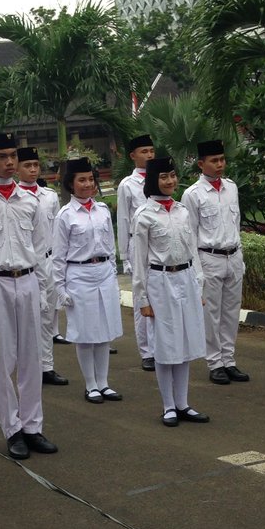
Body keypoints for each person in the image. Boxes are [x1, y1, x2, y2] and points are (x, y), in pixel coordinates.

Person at [0, 131, 57, 460]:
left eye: (12, 156)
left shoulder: (31, 201)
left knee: (32, 357)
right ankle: (13, 429)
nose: (8, 162)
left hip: (28, 280)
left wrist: (45, 295)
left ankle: (33, 426)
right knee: (3, 362)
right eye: (1, 156)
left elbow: (42, 252)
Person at [132, 157, 209, 426]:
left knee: (185, 343)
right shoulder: (144, 215)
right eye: (164, 177)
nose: (170, 181)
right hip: (160, 282)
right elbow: (139, 261)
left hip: (185, 278)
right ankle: (168, 406)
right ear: (154, 180)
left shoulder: (182, 211)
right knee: (165, 346)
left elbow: (192, 249)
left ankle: (184, 403)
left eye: (173, 175)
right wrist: (142, 299)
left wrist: (198, 284)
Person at [51, 158, 123, 403]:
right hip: (79, 276)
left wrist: (112, 275)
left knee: (103, 332)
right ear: (71, 184)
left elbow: (111, 249)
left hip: (103, 272)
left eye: (90, 179)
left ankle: (104, 383)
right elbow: (58, 256)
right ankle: (90, 384)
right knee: (85, 333)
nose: (87, 184)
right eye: (81, 180)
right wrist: (60, 289)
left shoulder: (102, 210)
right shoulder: (65, 215)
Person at [182, 139, 249, 385]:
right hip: (209, 257)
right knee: (211, 315)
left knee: (232, 312)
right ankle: (215, 362)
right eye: (214, 160)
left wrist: (240, 257)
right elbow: (190, 235)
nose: (220, 164)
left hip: (233, 255)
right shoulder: (193, 194)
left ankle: (229, 360)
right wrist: (197, 271)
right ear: (201, 164)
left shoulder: (231, 187)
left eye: (222, 159)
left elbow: (237, 223)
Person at [16, 146, 68, 384]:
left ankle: (47, 366)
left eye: (36, 165)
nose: (33, 169)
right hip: (25, 264)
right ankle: (28, 366)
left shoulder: (50, 196)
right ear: (17, 168)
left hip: (48, 260)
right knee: (26, 319)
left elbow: (57, 231)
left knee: (48, 316)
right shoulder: (14, 197)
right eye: (27, 165)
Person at [117, 134, 157, 370]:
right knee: (141, 297)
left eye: (151, 151)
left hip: (158, 243)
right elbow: (123, 219)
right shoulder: (127, 185)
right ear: (133, 156)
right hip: (136, 243)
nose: (149, 155)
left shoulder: (160, 177)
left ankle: (160, 346)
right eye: (144, 151)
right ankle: (146, 351)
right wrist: (124, 256)